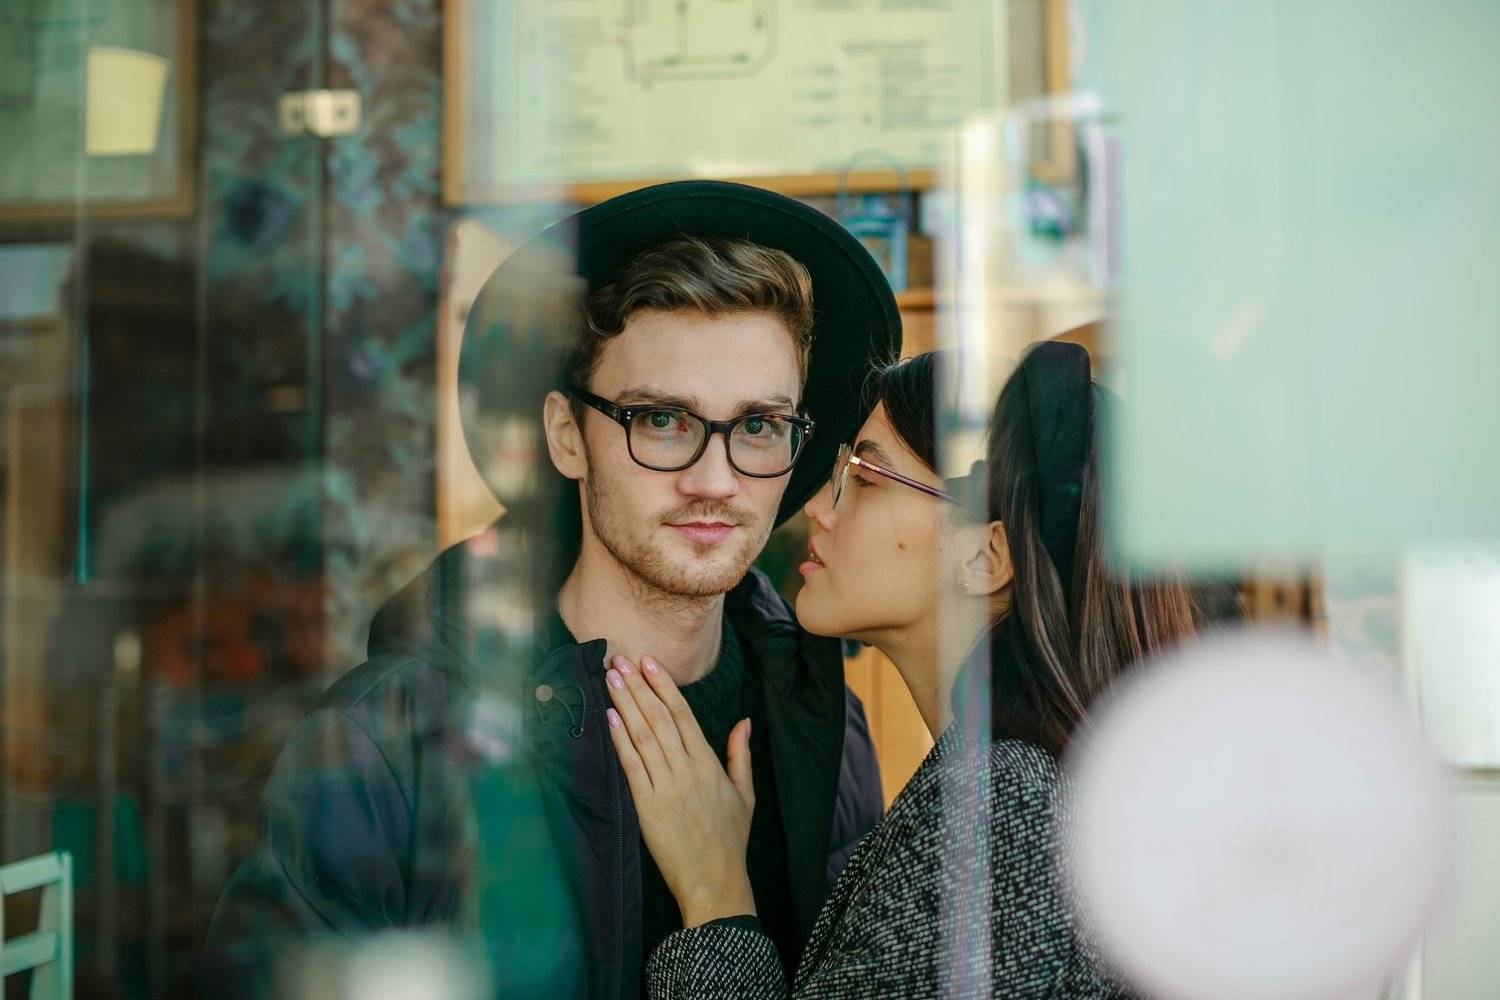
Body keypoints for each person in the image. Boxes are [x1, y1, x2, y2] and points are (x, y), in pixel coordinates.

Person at [204, 181, 900, 998]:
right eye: (662, 420)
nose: (715, 480)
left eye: (757, 426)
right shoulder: (391, 743)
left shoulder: (825, 722)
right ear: (568, 437)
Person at [600, 343, 1198, 997]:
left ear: (984, 558)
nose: (819, 510)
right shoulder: (1035, 791)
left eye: (866, 478)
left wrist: (714, 893)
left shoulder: (1004, 816)